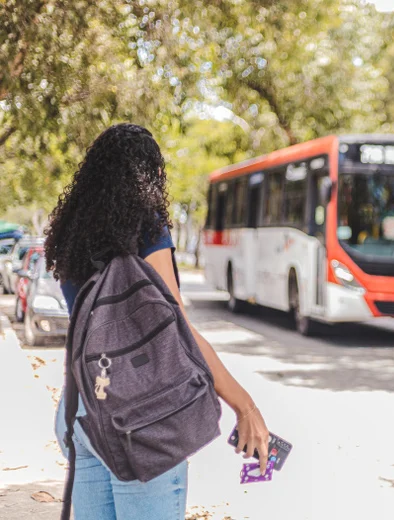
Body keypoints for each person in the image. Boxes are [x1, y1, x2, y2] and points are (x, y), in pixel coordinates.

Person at [44, 123, 270, 520]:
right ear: (149, 174)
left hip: (82, 413)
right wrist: (244, 405)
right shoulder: (144, 225)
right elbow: (177, 326)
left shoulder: (70, 233)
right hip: (141, 421)